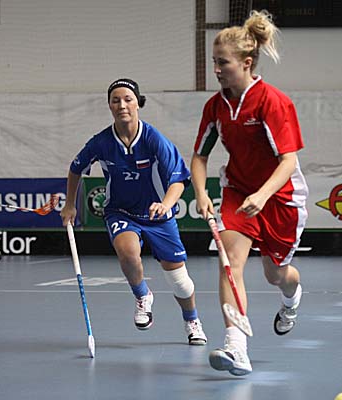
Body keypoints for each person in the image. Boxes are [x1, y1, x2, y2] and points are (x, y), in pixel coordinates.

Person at [191, 10, 308, 376]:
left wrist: (263, 195)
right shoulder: (216, 106)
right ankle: (236, 346)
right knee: (230, 262)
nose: (216, 69)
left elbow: (288, 161)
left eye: (222, 62)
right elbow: (199, 156)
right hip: (238, 192)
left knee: (277, 274)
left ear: (246, 62)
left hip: (280, 198)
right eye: (214, 61)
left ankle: (292, 297)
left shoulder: (273, 102)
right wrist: (201, 193)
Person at [60, 78, 207, 346]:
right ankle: (142, 296)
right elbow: (75, 168)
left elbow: (178, 179)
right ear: (109, 106)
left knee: (180, 282)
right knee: (128, 252)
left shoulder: (154, 139)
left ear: (138, 103)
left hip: (158, 215)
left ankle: (192, 320)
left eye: (128, 99)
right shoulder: (101, 142)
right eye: (115, 100)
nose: (122, 105)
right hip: (121, 211)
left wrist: (166, 204)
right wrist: (70, 204)